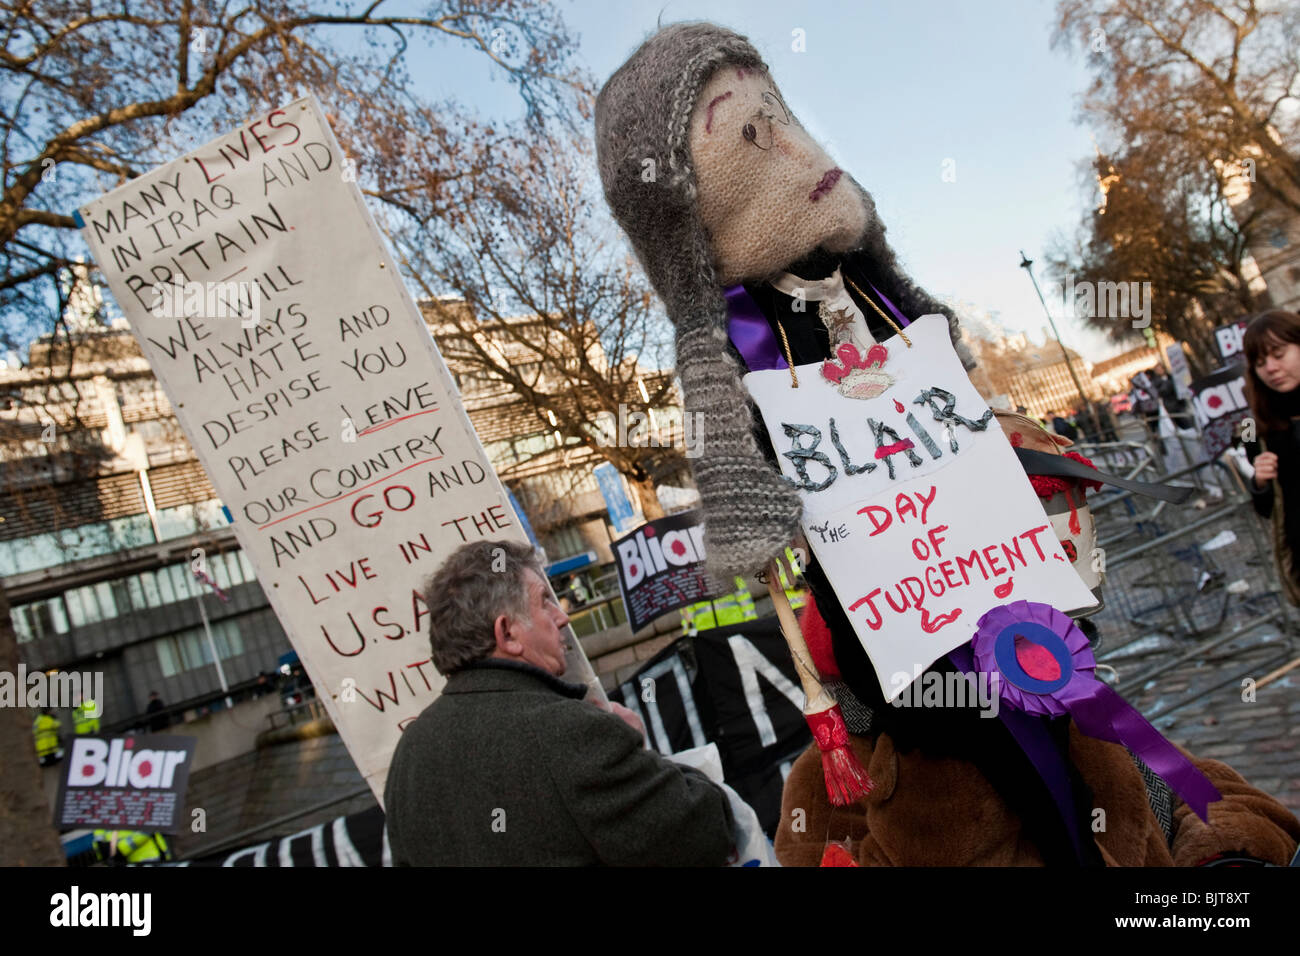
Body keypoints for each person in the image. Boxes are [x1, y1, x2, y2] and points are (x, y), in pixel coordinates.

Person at [383, 540, 735, 866]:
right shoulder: (569, 732)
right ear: (508, 634)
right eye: (544, 602)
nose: (562, 616)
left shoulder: (409, 753)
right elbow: (704, 833)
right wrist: (645, 755)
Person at [1243, 309, 1300, 606]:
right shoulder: (1254, 426)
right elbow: (1266, 507)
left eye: (1279, 354)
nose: (1271, 368)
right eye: (1260, 362)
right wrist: (1260, 482)